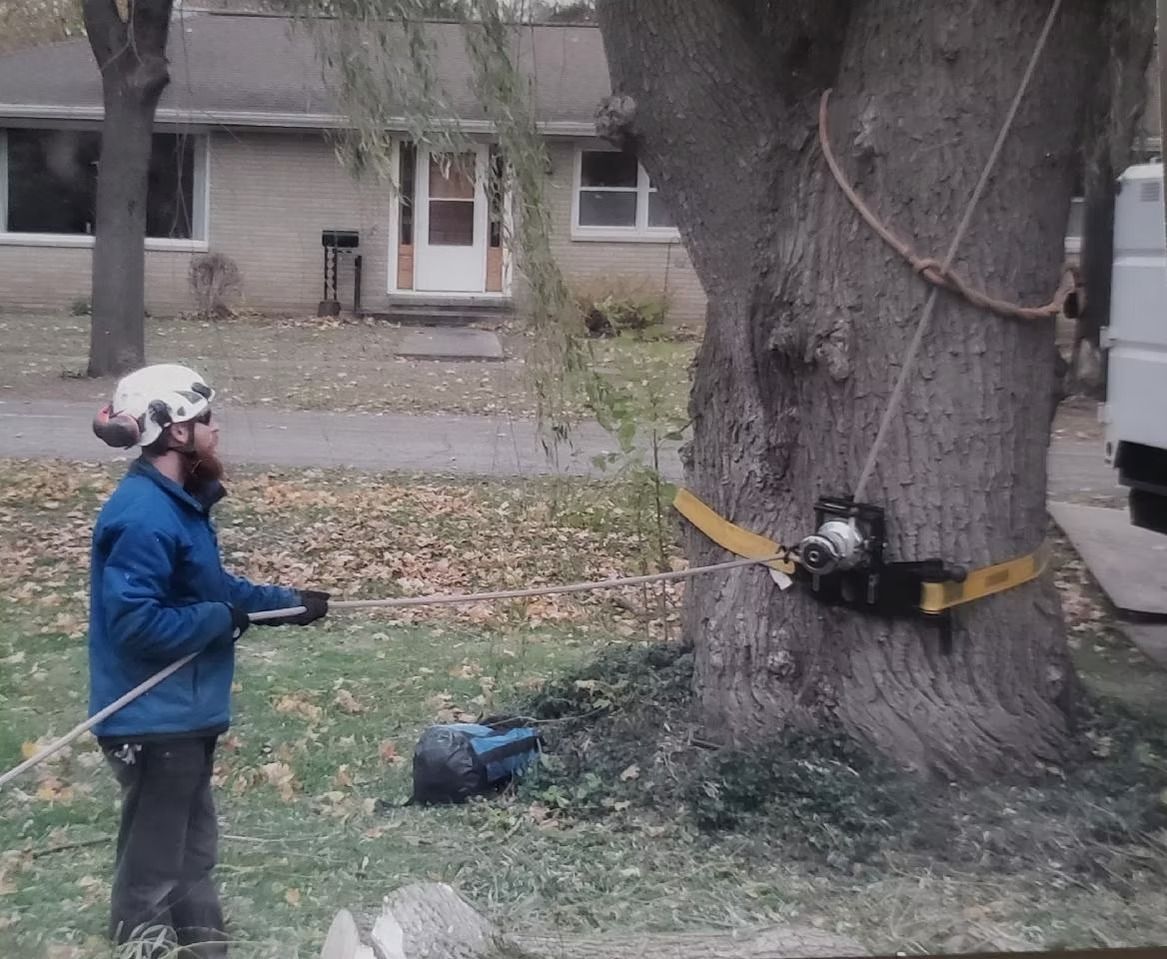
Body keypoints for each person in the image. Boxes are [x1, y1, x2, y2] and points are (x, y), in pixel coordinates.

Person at [88, 363, 330, 957]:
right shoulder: (143, 515)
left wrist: (289, 605)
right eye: (205, 420)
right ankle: (141, 945)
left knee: (192, 851)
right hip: (152, 718)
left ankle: (204, 947)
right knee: (154, 864)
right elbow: (136, 623)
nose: (216, 430)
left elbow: (211, 590)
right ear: (174, 433)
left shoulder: (176, 504)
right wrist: (219, 620)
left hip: (185, 713)